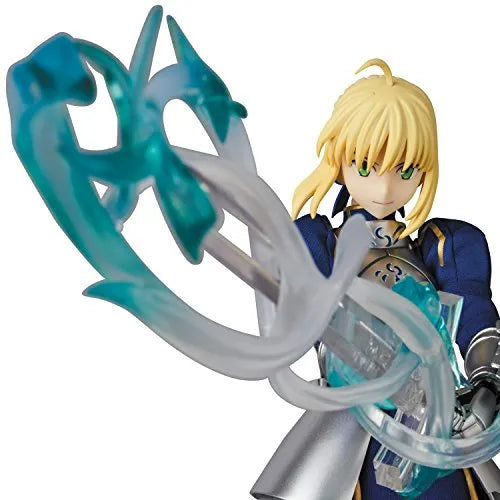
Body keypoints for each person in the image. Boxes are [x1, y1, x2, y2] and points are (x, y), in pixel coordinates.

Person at [251, 59, 499, 500]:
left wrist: (486, 383)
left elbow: (475, 317)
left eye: (405, 170)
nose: (386, 189)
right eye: (366, 166)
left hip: (436, 422)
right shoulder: (318, 243)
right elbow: (304, 327)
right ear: (339, 159)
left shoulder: (442, 247)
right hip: (355, 425)